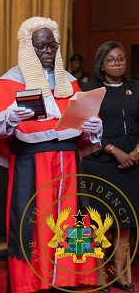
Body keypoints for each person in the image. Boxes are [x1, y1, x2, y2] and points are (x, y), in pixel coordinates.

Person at [0, 16, 103, 293]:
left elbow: (80, 120)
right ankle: (31, 283)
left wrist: (93, 127)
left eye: (52, 46)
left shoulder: (69, 81)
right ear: (28, 48)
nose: (48, 52)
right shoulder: (10, 82)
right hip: (33, 163)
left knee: (74, 221)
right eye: (41, 47)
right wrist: (9, 117)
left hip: (69, 164)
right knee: (34, 224)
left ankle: (69, 280)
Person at [80, 41, 138, 292]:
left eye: (121, 59)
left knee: (125, 222)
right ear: (101, 64)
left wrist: (135, 152)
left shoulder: (135, 88)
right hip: (100, 163)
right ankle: (100, 276)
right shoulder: (89, 89)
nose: (117, 64)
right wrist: (115, 151)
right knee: (100, 223)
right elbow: (83, 127)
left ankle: (123, 274)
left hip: (133, 164)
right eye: (111, 60)